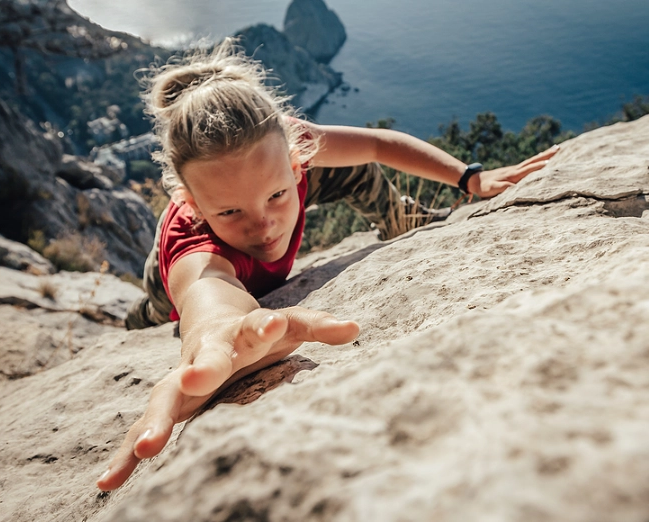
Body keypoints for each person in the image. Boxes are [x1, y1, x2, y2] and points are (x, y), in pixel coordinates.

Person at [97, 39, 559, 491]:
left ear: (296, 163)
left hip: (267, 187)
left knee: (357, 168)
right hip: (167, 285)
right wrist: (214, 333)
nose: (263, 225)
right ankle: (134, 316)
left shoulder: (280, 144)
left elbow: (377, 145)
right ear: (193, 203)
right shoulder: (194, 247)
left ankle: (403, 219)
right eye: (231, 211)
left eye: (277, 195)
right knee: (155, 312)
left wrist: (469, 177)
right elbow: (207, 295)